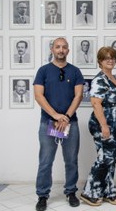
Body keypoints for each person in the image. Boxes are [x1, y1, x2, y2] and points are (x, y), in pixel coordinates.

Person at [33, 37, 84, 211]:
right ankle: (42, 195)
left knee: (71, 161)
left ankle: (70, 192)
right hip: (48, 122)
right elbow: (39, 95)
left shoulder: (75, 71)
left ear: (68, 51)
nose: (61, 50)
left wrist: (66, 117)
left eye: (64, 47)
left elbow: (78, 96)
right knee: (46, 161)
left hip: (71, 123)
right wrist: (55, 116)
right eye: (58, 47)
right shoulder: (43, 71)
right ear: (52, 50)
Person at [81, 47, 116, 206]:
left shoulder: (114, 78)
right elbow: (96, 103)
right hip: (104, 125)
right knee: (104, 159)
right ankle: (89, 192)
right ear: (100, 61)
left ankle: (108, 190)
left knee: (111, 159)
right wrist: (104, 126)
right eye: (106, 58)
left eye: (113, 58)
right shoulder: (99, 79)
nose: (110, 60)